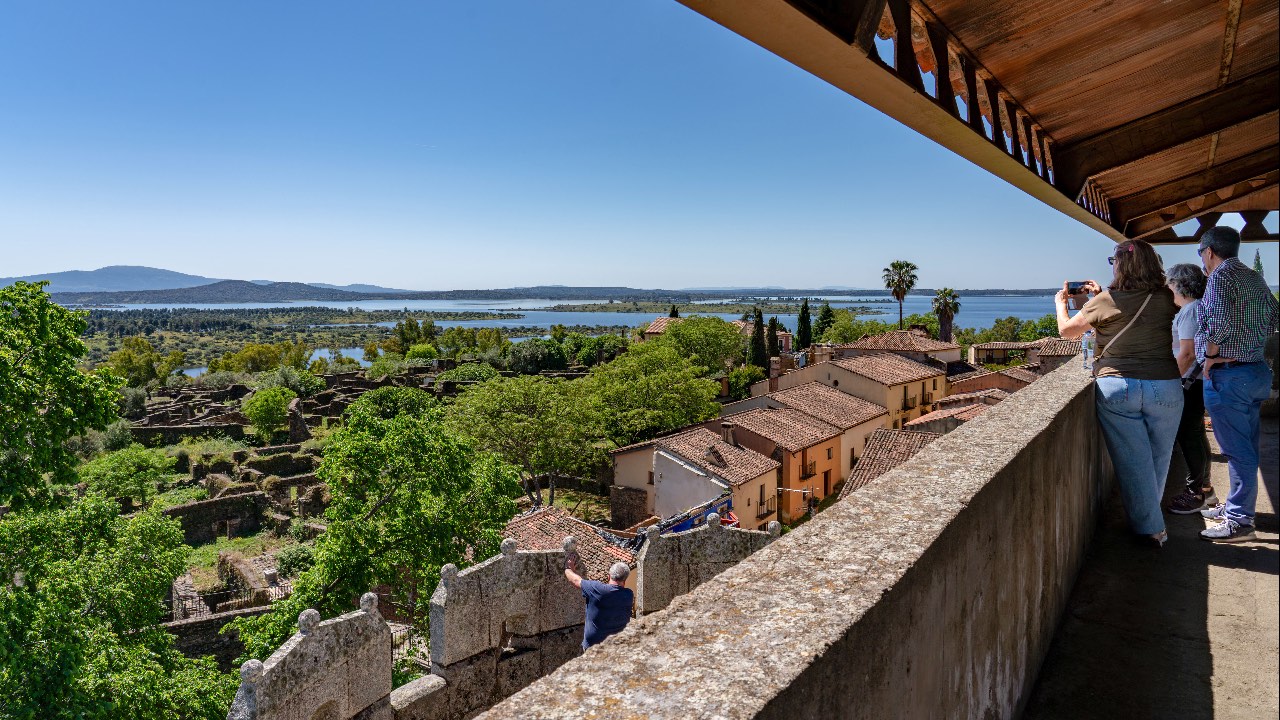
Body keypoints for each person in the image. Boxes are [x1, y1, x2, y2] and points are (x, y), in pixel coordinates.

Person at [1056, 239, 1182, 546]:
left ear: (1120, 266)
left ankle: (1152, 529)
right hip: (1165, 385)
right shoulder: (1166, 296)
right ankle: (1151, 522)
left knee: (1134, 464)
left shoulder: (1105, 300)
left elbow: (1067, 331)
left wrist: (1060, 303)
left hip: (1119, 387)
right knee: (1159, 458)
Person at [1194, 226, 1279, 543]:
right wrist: (1249, 343)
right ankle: (1235, 506)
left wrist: (1211, 355)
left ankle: (1240, 521)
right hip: (1255, 372)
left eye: (1201, 253)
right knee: (1247, 447)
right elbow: (1274, 317)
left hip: (1230, 376)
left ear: (1209, 252)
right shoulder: (1254, 277)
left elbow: (1218, 323)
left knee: (1236, 451)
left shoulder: (1219, 278)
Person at [1165, 263, 1216, 514]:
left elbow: (1187, 354)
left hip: (1189, 383)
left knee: (1188, 435)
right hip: (1195, 382)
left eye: (1169, 283)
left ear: (1178, 284)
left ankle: (1196, 493)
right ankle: (1204, 488)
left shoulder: (1190, 310)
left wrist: (1170, 382)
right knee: (1195, 434)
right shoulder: (1195, 308)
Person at [563, 549, 633, 650]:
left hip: (594, 648)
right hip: (616, 647)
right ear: (625, 580)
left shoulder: (598, 590)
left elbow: (575, 580)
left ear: (609, 576)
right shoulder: (629, 594)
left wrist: (568, 568)